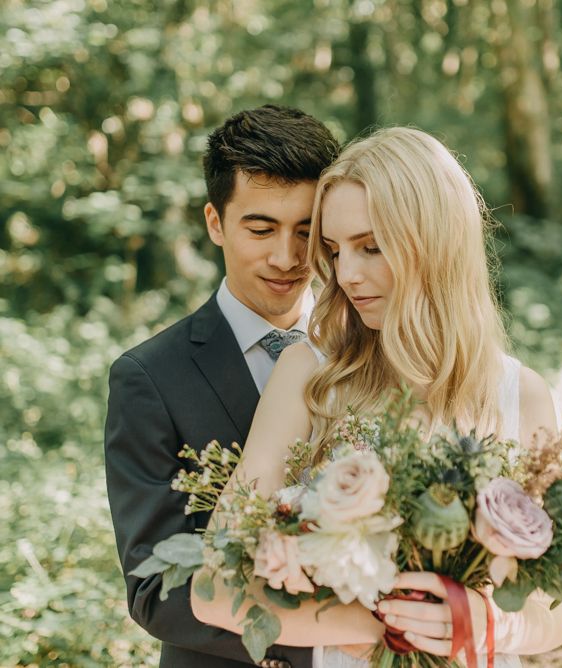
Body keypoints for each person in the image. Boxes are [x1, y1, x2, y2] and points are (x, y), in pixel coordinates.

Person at [190, 127, 562, 667]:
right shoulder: (307, 376)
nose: (346, 275)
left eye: (371, 247)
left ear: (436, 242)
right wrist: (378, 625)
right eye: (335, 249)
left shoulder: (523, 395)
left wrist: (495, 625)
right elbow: (209, 588)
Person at [104, 104, 339, 668]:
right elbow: (153, 587)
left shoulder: (369, 353)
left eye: (306, 232)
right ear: (215, 222)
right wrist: (321, 637)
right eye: (260, 229)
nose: (287, 258)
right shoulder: (149, 378)